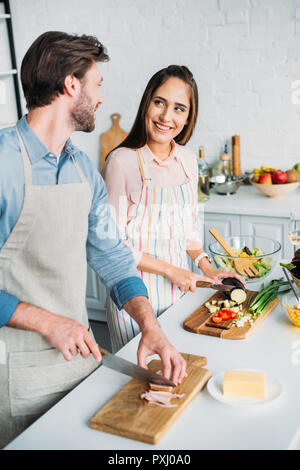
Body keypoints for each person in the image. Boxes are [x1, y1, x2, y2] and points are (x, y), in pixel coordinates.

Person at [0, 32, 186, 449]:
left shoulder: (83, 169)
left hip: (78, 365)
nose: (101, 97)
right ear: (71, 84)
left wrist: (149, 327)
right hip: (13, 376)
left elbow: (115, 261)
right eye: (97, 83)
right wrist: (46, 321)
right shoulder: (3, 164)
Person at [102, 65, 244, 352]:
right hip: (134, 297)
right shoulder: (122, 161)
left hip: (180, 292)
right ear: (147, 103)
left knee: (179, 374)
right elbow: (112, 246)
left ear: (189, 116)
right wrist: (172, 271)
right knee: (142, 384)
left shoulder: (187, 160)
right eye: (159, 103)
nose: (167, 117)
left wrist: (207, 268)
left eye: (179, 108)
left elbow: (187, 230)